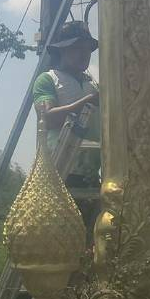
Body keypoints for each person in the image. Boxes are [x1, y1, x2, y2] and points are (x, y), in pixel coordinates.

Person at [31, 19, 101, 205]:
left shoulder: (93, 84)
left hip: (92, 175)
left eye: (87, 49)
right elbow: (48, 119)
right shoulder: (47, 80)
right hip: (59, 171)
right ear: (63, 50)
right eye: (78, 48)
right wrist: (87, 102)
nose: (84, 54)